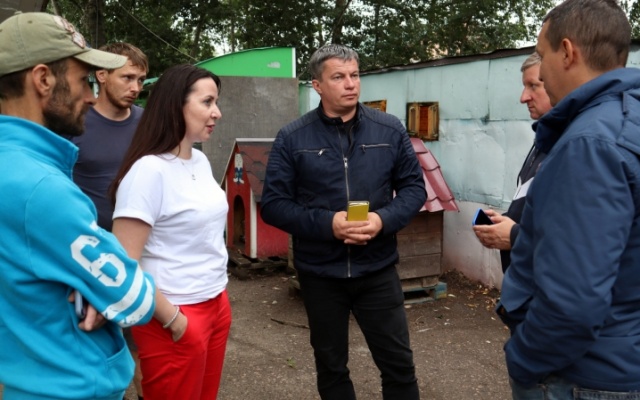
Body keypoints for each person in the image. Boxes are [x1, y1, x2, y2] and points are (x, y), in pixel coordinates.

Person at [0, 12, 156, 400]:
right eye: (83, 80)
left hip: (28, 375)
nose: (89, 96)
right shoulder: (41, 188)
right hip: (71, 384)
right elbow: (134, 299)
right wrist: (101, 290)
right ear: (43, 80)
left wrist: (85, 282)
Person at [261, 44, 426, 400]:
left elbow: (414, 189)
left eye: (354, 75)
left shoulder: (389, 129)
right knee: (332, 367)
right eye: (338, 77)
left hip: (377, 270)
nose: (351, 84)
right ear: (317, 85)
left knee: (399, 365)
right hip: (321, 274)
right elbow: (273, 205)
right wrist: (328, 224)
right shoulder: (293, 137)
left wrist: (382, 220)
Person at [498, 0, 640, 398]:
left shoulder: (590, 144)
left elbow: (573, 304)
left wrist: (523, 360)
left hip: (583, 376)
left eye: (541, 55)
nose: (541, 72)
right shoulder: (626, 120)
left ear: (567, 52)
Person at [110, 64, 231, 400]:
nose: (217, 112)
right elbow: (122, 263)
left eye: (216, 102)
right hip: (173, 313)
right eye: (207, 102)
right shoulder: (148, 171)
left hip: (215, 303)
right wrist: (174, 320)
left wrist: (219, 301)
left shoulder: (199, 161)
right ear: (176, 105)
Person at [70, 42, 148, 400]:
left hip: (142, 256)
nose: (135, 87)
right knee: (94, 356)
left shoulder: (147, 123)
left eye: (140, 79)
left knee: (145, 355)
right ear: (101, 75)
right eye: (127, 77)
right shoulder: (74, 122)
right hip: (90, 259)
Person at [472, 52, 552, 273]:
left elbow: (569, 236)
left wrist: (515, 235)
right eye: (524, 86)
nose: (523, 97)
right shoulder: (543, 140)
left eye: (533, 86)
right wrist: (507, 221)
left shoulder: (570, 145)